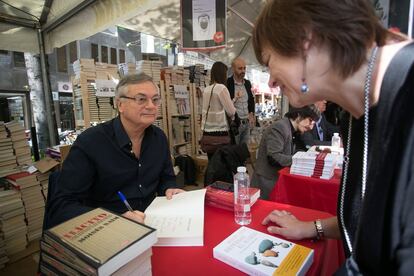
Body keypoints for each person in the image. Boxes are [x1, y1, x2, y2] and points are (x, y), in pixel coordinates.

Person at [252, 0, 414, 274]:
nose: (271, 82)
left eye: (269, 63)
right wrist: (311, 227)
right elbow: (368, 218)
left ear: (305, 38)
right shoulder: (356, 111)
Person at [47, 73, 185, 228]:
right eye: (141, 99)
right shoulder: (91, 142)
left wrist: (169, 189)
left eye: (155, 99)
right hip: (105, 229)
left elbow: (166, 178)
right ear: (120, 105)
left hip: (153, 222)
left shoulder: (158, 137)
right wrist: (111, 219)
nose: (151, 106)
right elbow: (62, 206)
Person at [251, 105, 320, 200]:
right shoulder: (280, 127)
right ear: (299, 115)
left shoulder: (291, 129)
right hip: (267, 182)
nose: (311, 127)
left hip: (277, 178)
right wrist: (300, 159)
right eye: (310, 120)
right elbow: (273, 157)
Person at [201, 61, 236, 160]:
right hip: (220, 133)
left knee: (212, 164)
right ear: (222, 74)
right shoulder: (221, 88)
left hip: (207, 133)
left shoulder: (207, 89)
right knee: (222, 165)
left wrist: (233, 100)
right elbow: (231, 111)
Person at [226, 57, 255, 145]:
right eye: (240, 68)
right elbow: (226, 104)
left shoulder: (247, 83)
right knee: (234, 151)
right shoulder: (228, 83)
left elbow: (251, 100)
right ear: (233, 69)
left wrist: (251, 113)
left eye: (244, 68)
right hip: (235, 124)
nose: (243, 71)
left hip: (246, 123)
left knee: (244, 151)